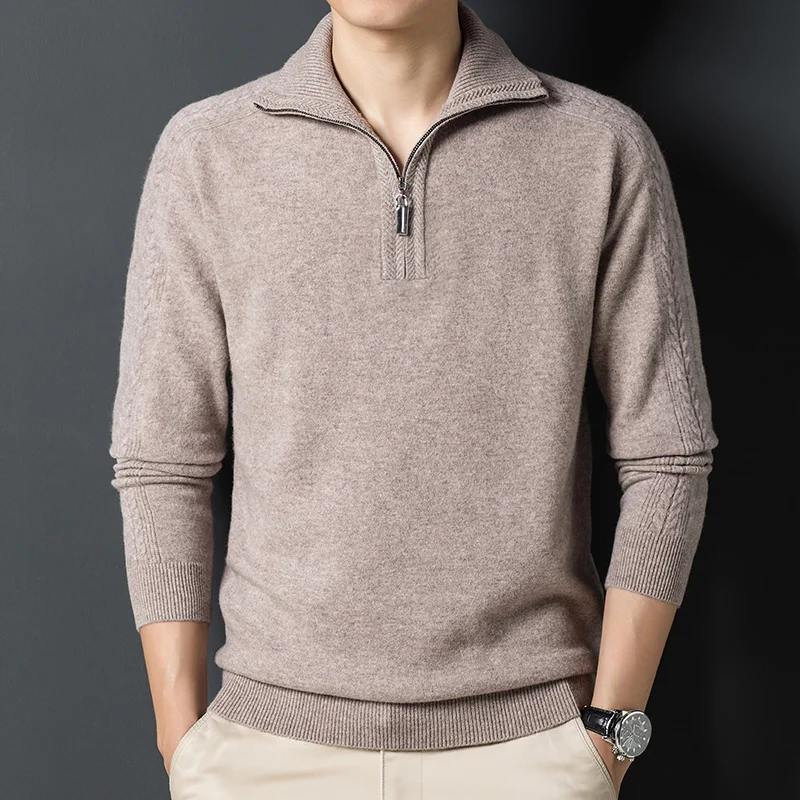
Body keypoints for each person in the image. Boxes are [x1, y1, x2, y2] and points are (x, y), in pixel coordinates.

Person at [108, 1, 718, 797]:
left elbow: (668, 456)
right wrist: (183, 742)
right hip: (266, 753)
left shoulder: (599, 146)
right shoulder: (209, 151)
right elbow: (162, 460)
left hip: (529, 750)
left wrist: (611, 732)